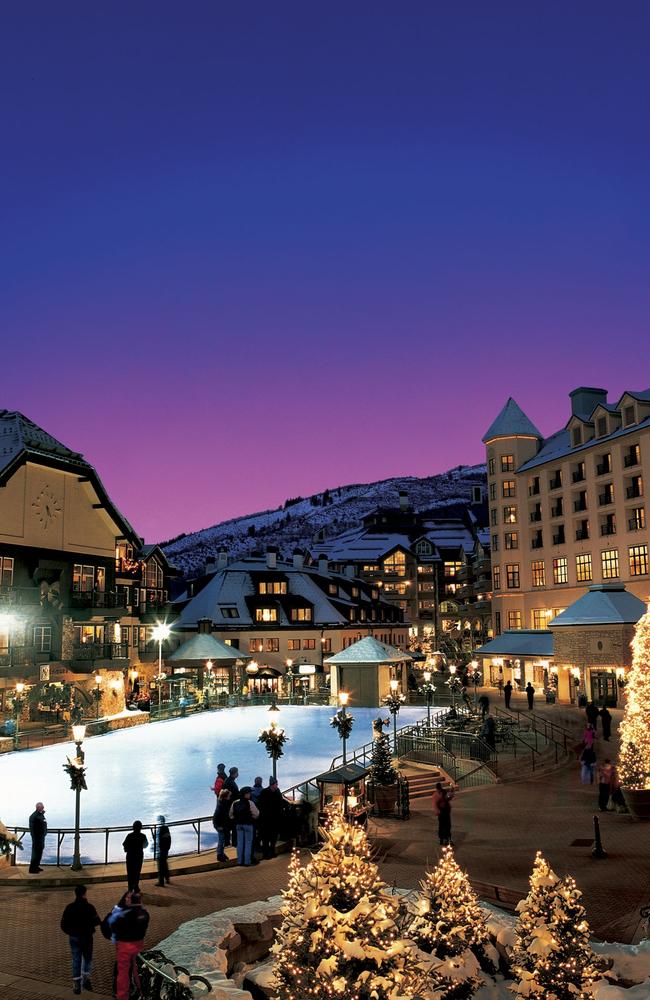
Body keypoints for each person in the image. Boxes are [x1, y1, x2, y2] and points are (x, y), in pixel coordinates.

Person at [107, 890, 150, 1000]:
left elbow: (112, 924)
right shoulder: (144, 913)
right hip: (137, 944)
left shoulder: (122, 914)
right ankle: (141, 992)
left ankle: (122, 995)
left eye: (128, 898)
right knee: (135, 968)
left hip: (125, 945)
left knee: (123, 972)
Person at [60, 884, 100, 994]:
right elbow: (97, 921)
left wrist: (70, 932)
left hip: (74, 937)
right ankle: (86, 979)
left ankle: (76, 983)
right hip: (87, 936)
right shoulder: (89, 907)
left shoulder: (69, 907)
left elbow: (63, 924)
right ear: (84, 894)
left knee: (76, 959)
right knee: (87, 958)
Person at [230, 785, 259, 866]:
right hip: (248, 825)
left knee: (240, 843)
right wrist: (252, 818)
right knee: (248, 843)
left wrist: (236, 819)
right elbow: (256, 814)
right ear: (245, 794)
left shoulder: (235, 803)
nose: (250, 795)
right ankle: (247, 861)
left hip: (238, 825)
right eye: (249, 793)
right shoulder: (250, 803)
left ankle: (240, 861)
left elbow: (231, 815)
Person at [258, 777, 284, 859]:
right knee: (266, 838)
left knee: (273, 838)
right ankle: (266, 854)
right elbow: (261, 805)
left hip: (274, 819)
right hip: (267, 819)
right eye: (276, 784)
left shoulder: (273, 792)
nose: (277, 786)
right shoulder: (266, 792)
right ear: (273, 785)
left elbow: (281, 802)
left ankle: (271, 852)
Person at [122, 820, 148, 892]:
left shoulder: (129, 835)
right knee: (137, 872)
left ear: (133, 827)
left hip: (130, 856)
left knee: (130, 872)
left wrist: (127, 849)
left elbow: (124, 844)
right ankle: (136, 886)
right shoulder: (143, 836)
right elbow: (145, 845)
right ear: (140, 828)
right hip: (139, 856)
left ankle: (130, 888)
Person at [213, 788, 233, 862]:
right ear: (225, 797)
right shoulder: (223, 805)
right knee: (221, 840)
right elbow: (219, 816)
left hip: (220, 824)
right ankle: (219, 854)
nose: (230, 797)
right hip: (220, 825)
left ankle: (221, 853)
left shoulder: (222, 803)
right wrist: (219, 825)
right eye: (229, 796)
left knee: (222, 840)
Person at [432, 782, 454, 846]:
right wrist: (438, 811)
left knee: (447, 825)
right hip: (441, 811)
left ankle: (447, 839)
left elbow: (448, 798)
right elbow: (435, 804)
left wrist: (451, 791)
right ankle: (442, 839)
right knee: (442, 825)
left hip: (446, 811)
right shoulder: (436, 795)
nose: (440, 789)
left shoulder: (443, 792)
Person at [28, 802, 47, 874]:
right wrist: (35, 837)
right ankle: (32, 869)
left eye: (43, 806)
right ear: (38, 807)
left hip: (41, 837)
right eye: (42, 807)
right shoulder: (34, 816)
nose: (43, 808)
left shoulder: (40, 815)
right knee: (35, 853)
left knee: (39, 853)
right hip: (37, 838)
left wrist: (44, 834)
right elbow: (32, 828)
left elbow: (44, 824)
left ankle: (36, 866)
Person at [155, 815, 171, 887]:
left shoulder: (160, 829)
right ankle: (167, 878)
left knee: (160, 866)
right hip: (166, 848)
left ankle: (161, 882)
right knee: (164, 863)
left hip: (161, 849)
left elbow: (158, 840)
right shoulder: (166, 828)